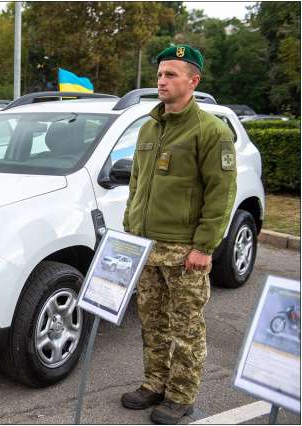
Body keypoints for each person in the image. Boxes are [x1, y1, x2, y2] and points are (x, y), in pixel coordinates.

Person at [121, 45, 237, 424]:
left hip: (184, 251)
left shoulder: (210, 131)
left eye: (171, 74)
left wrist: (205, 246)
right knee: (152, 321)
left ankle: (181, 396)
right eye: (160, 74)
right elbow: (137, 182)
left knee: (186, 327)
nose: (161, 80)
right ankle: (154, 383)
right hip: (147, 247)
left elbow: (221, 194)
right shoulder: (149, 127)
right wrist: (130, 229)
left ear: (193, 80)